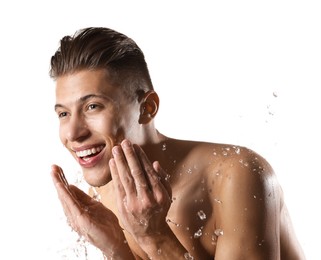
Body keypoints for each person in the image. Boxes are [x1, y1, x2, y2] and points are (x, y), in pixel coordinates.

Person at [49, 27, 305, 259]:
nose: (72, 133)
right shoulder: (107, 190)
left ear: (147, 108)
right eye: (63, 113)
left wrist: (155, 237)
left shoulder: (235, 176)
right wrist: (117, 248)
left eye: (93, 107)